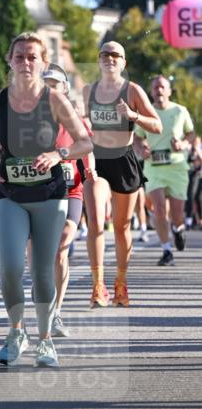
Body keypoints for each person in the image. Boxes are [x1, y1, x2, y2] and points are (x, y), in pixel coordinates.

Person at [0, 33, 92, 368]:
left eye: (32, 57)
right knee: (11, 268)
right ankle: (16, 332)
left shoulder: (55, 98)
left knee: (43, 271)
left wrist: (59, 154)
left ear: (42, 62)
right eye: (19, 57)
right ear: (9, 60)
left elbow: (84, 143)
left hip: (50, 195)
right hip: (12, 193)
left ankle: (44, 340)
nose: (26, 63)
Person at [82, 42, 161, 308]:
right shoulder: (88, 91)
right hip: (98, 161)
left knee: (122, 226)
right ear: (99, 60)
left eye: (116, 55)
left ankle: (121, 283)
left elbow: (157, 125)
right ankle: (97, 286)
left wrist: (133, 115)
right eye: (105, 54)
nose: (110, 59)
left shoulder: (132, 90)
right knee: (95, 219)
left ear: (123, 62)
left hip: (124, 161)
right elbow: (80, 126)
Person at [42, 63, 94, 338]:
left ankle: (56, 311)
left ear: (64, 88)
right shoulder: (30, 118)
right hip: (39, 190)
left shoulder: (73, 117)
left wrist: (92, 169)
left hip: (70, 188)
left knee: (62, 244)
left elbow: (87, 144)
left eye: (55, 84)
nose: (50, 89)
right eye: (45, 84)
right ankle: (45, 305)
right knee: (42, 254)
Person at [134, 74, 195, 266]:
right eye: (155, 88)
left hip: (177, 166)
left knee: (177, 215)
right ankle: (167, 250)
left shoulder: (180, 111)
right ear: (151, 92)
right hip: (154, 167)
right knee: (159, 209)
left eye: (162, 87)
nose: (159, 91)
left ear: (169, 91)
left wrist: (184, 144)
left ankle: (178, 230)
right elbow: (137, 137)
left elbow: (191, 134)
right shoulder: (146, 113)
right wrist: (141, 148)